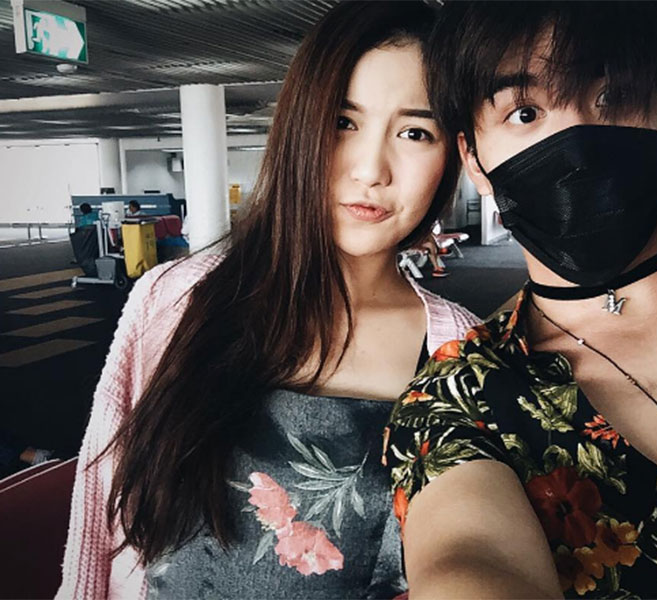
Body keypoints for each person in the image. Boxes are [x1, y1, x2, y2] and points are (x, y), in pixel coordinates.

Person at [57, 3, 478, 598]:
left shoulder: (463, 354)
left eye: (415, 133)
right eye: (343, 122)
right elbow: (100, 524)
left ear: (453, 155)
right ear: (297, 128)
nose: (371, 170)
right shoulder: (176, 299)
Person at [384, 2, 657, 598]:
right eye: (524, 112)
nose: (578, 146)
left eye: (615, 96)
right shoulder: (459, 401)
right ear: (473, 158)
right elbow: (469, 560)